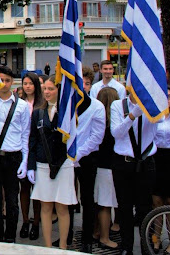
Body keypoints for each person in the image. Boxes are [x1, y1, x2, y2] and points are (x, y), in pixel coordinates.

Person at [27, 75, 77, 250]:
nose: (47, 92)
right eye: (45, 89)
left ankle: (63, 246)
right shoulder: (38, 112)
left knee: (62, 208)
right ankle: (47, 247)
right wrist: (31, 166)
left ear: (59, 91)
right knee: (45, 207)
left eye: (51, 89)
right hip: (42, 165)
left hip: (63, 164)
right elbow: (32, 140)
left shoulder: (67, 113)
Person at [0, 66, 30, 243]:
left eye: (7, 80)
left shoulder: (22, 106)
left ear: (13, 83)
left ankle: (10, 238)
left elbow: (25, 134)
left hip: (13, 157)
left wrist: (24, 161)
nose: (4, 84)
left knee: (12, 201)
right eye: (0, 80)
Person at [111, 89, 158, 255]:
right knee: (124, 208)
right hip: (124, 163)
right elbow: (116, 132)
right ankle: (126, 246)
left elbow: (160, 122)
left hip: (145, 163)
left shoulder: (153, 105)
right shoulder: (118, 105)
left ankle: (147, 246)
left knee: (145, 208)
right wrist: (131, 116)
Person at [67, 66, 106, 253]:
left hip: (87, 158)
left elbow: (96, 137)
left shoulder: (97, 107)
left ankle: (87, 238)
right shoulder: (66, 104)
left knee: (87, 199)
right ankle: (67, 235)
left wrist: (78, 153)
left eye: (87, 83)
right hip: (67, 158)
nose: (83, 86)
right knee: (66, 198)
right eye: (79, 82)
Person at [150, 86, 170, 253]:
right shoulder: (155, 117)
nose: (168, 99)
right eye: (165, 96)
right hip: (157, 159)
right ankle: (155, 240)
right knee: (157, 203)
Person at [19, 72, 45, 241]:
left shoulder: (41, 104)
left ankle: (36, 222)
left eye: (30, 83)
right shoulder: (20, 103)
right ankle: (25, 221)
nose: (27, 86)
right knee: (24, 188)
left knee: (37, 189)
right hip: (22, 147)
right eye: (25, 83)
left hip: (37, 148)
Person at [94, 87, 120, 250]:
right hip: (109, 167)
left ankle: (97, 231)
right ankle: (104, 237)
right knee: (105, 204)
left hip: (97, 165)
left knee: (99, 202)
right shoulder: (114, 124)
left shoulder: (97, 120)